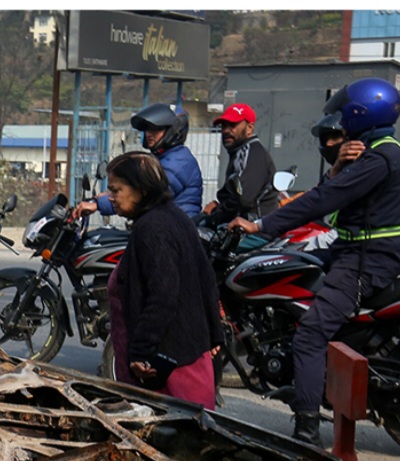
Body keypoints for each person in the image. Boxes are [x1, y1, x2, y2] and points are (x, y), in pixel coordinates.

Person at [228, 78, 400, 445]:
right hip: (351, 249)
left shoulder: (380, 158)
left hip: (367, 260)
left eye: (345, 112)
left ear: (361, 113)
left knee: (309, 337)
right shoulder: (378, 151)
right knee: (290, 262)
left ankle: (306, 433)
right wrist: (339, 166)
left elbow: (324, 200)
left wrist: (259, 224)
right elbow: (338, 191)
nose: (341, 120)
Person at [103, 151, 223, 410]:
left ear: (140, 189)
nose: (110, 197)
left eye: (116, 189)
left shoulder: (152, 229)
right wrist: (215, 334)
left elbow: (163, 294)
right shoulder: (175, 217)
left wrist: (142, 352)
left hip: (171, 364)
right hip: (186, 353)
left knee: (178, 438)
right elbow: (206, 278)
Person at [75, 103, 204, 218]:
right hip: (164, 223)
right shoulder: (163, 158)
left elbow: (148, 194)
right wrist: (112, 193)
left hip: (176, 230)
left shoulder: (179, 161)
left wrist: (98, 204)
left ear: (174, 131)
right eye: (147, 129)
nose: (149, 133)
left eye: (156, 129)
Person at [202, 102, 278, 223]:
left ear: (249, 128)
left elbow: (243, 199)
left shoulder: (250, 153)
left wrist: (216, 211)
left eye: (232, 125)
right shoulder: (240, 152)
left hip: (253, 229)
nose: (226, 130)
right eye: (224, 125)